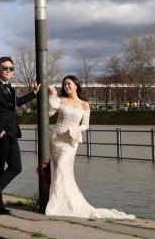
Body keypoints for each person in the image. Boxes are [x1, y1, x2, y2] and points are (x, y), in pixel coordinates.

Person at [45, 75, 134, 219]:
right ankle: (62, 203)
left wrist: (75, 130)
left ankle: (63, 204)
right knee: (61, 171)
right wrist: (52, 96)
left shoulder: (84, 105)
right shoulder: (61, 100)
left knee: (62, 167)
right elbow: (49, 113)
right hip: (56, 138)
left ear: (76, 85)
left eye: (69, 84)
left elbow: (85, 124)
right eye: (64, 84)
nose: (66, 86)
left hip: (71, 140)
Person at [0, 56, 40, 216]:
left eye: (11, 68)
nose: (8, 71)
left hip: (12, 132)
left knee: (16, 167)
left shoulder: (9, 88)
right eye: (5, 68)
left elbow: (15, 103)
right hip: (1, 133)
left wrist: (33, 94)